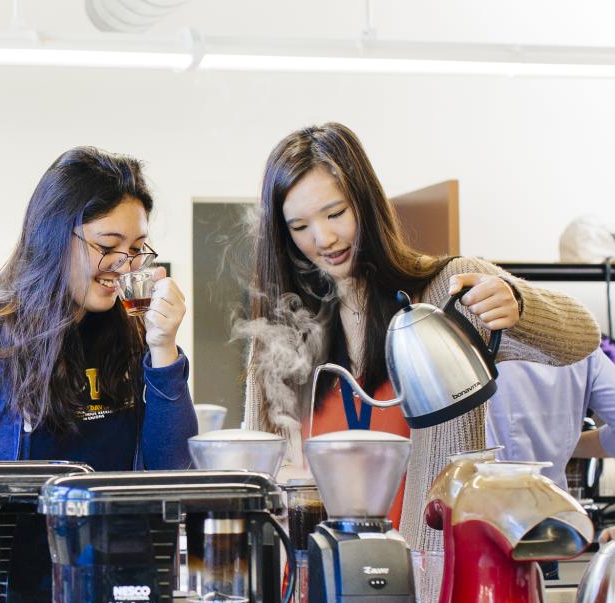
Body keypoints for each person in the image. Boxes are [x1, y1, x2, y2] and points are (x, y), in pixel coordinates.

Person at [241, 122, 599, 560]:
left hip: (425, 585)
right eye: (299, 226)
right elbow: (255, 472)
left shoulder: (443, 290)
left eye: (335, 214)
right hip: (315, 585)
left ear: (366, 204)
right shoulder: (282, 331)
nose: (324, 239)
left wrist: (520, 305)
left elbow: (581, 337)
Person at [0, 146, 196, 469]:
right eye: (107, 246)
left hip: (117, 522)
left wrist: (163, 349)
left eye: (136, 248)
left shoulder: (133, 337)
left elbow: (172, 470)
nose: (124, 265)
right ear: (52, 236)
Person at [487, 348, 615, 487]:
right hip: (550, 503)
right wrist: (562, 445)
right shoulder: (580, 344)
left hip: (473, 501)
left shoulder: (467, 336)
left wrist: (570, 445)